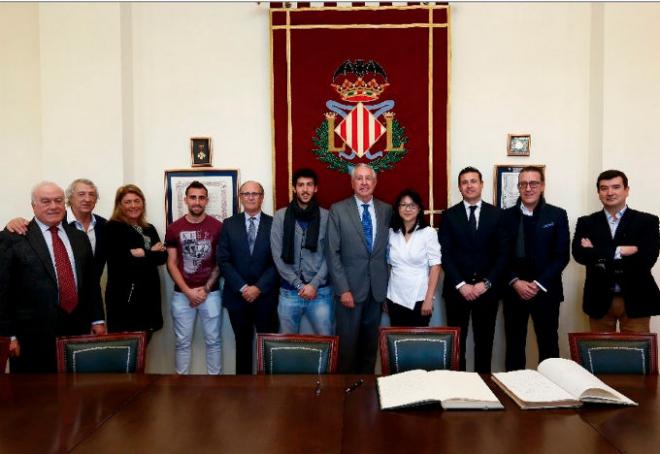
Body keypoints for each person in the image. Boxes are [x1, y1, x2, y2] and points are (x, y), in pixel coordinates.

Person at [0, 182, 106, 373]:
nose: (53, 206)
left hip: (77, 330)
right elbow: (2, 291)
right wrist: (8, 335)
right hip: (31, 337)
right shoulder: (14, 237)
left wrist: (97, 320)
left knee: (78, 393)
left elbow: (91, 284)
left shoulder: (79, 237)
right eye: (45, 201)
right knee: (35, 398)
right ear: (33, 206)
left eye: (58, 201)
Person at [573, 169, 660, 332]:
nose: (610, 192)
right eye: (604, 188)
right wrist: (619, 251)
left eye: (616, 187)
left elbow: (647, 258)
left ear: (627, 190)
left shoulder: (647, 221)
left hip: (637, 298)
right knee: (600, 354)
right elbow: (580, 255)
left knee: (636, 354)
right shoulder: (587, 222)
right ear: (598, 192)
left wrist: (596, 251)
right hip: (598, 299)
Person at [438, 167, 507, 373]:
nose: (469, 185)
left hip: (487, 291)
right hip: (457, 291)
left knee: (484, 344)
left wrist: (485, 284)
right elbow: (445, 254)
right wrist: (462, 285)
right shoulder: (449, 215)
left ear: (481, 184)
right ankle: (459, 390)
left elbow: (503, 255)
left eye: (473, 181)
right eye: (464, 182)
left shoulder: (498, 215)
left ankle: (484, 390)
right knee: (457, 346)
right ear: (459, 187)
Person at [501, 166, 569, 371]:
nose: (528, 188)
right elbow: (500, 256)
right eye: (523, 184)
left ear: (542, 186)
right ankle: (514, 392)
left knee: (548, 346)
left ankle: (552, 394)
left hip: (546, 291)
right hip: (514, 291)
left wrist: (537, 284)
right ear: (519, 187)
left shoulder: (557, 215)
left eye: (533, 183)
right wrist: (515, 281)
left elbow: (561, 256)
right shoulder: (505, 216)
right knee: (514, 346)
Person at [326, 163, 392, 373]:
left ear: (375, 182)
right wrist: (343, 289)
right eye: (359, 178)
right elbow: (332, 252)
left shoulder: (387, 210)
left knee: (370, 347)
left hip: (377, 291)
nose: (364, 183)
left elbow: (391, 252)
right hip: (349, 292)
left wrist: (387, 291)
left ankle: (366, 394)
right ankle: (345, 397)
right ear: (352, 182)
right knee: (347, 348)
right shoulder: (338, 209)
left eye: (368, 178)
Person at [217, 181, 279, 374]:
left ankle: (269, 390)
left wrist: (258, 287)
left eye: (255, 193)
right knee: (242, 345)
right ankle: (241, 391)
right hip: (237, 297)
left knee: (268, 346)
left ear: (262, 197)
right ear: (240, 197)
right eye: (246, 193)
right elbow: (223, 260)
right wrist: (243, 287)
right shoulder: (229, 224)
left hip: (266, 296)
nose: (251, 197)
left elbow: (279, 261)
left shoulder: (275, 223)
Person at [165, 181, 223, 375]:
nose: (197, 202)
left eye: (201, 197)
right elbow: (171, 263)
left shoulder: (218, 227)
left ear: (206, 200)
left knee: (213, 341)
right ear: (186, 199)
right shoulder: (174, 228)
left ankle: (214, 383)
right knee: (182, 342)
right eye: (193, 197)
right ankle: (181, 383)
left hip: (211, 294)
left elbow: (219, 262)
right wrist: (188, 291)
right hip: (182, 295)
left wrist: (205, 289)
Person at [271, 168, 333, 335]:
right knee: (287, 345)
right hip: (289, 293)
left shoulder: (327, 217)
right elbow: (277, 256)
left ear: (315, 188)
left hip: (320, 292)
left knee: (327, 342)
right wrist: (298, 284)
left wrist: (314, 285)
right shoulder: (280, 216)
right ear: (294, 188)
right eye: (300, 185)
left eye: (309, 185)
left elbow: (331, 255)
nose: (305, 190)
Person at [5, 178, 108, 279]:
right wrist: (12, 225)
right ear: (70, 198)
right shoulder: (48, 222)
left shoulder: (103, 226)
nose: (87, 199)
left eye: (92, 194)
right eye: (81, 194)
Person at [105, 185, 167, 339]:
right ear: (119, 205)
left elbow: (162, 258)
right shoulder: (112, 228)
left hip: (149, 298)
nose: (133, 205)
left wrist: (142, 254)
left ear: (143, 203)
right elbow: (122, 262)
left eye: (137, 201)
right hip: (125, 300)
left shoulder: (149, 228)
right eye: (128, 202)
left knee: (143, 350)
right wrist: (151, 252)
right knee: (126, 352)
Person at [386, 188, 442, 326]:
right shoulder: (391, 233)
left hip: (420, 297)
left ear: (419, 209)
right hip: (394, 297)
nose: (407, 209)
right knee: (397, 342)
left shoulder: (428, 233)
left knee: (417, 342)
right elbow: (387, 266)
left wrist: (429, 299)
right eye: (403, 205)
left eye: (412, 205)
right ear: (398, 208)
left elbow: (435, 266)